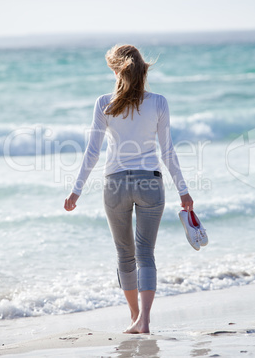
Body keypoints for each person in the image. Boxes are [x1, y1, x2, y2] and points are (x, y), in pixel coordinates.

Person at [64, 44, 193, 334]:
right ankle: (144, 320)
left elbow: (92, 153)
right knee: (146, 253)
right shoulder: (159, 102)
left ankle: (134, 316)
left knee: (125, 254)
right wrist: (183, 191)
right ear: (143, 68)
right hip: (150, 182)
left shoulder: (103, 103)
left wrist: (76, 191)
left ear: (114, 69)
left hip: (115, 184)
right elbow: (168, 150)